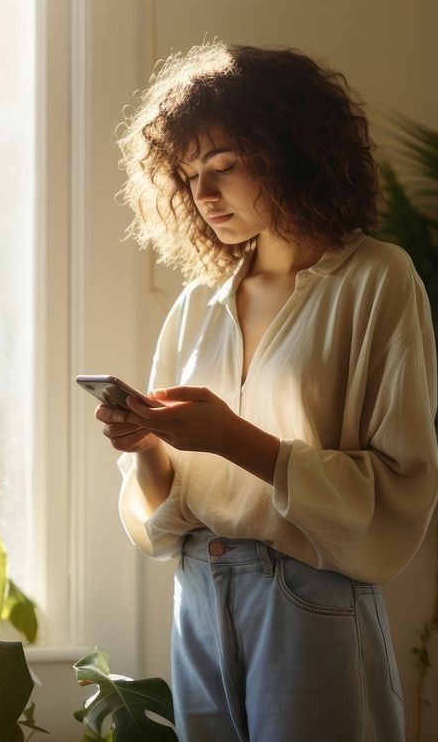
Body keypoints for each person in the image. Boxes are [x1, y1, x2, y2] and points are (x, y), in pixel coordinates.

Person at [98, 41, 438, 741]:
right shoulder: (199, 303)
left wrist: (235, 439)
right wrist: (145, 447)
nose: (204, 194)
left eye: (223, 167)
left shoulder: (377, 280)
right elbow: (169, 507)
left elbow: (402, 482)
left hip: (307, 599)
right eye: (190, 176)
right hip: (197, 589)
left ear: (289, 152)